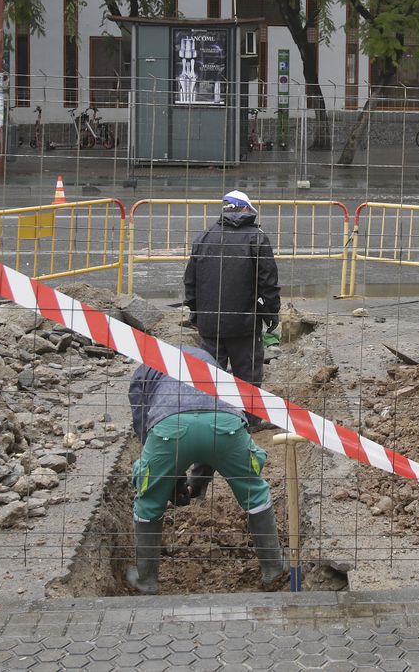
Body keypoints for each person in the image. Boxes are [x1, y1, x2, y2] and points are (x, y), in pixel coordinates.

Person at [126, 345, 285, 594]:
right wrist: (198, 477)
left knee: (148, 501)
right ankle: (273, 569)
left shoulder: (147, 366)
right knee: (255, 492)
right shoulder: (211, 362)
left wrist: (169, 478)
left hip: (169, 429)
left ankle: (147, 580)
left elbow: (143, 421)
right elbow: (214, 428)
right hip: (225, 424)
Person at [184, 190, 281, 395]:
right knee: (247, 377)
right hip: (244, 325)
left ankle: (215, 418)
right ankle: (250, 420)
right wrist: (271, 312)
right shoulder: (257, 238)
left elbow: (190, 282)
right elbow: (268, 283)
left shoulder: (204, 237)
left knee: (211, 378)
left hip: (210, 325)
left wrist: (196, 312)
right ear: (245, 209)